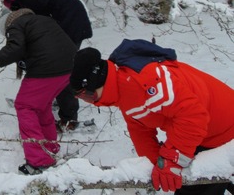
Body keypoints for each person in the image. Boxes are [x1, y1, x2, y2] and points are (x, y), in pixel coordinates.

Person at [69, 39, 234, 194]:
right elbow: (139, 129)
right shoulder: (123, 86)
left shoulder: (146, 82)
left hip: (225, 131)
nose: (89, 102)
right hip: (204, 134)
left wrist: (172, 160)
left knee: (197, 185)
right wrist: (155, 162)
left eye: (87, 96)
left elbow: (193, 116)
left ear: (97, 82)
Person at [0, 8, 78, 175]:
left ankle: (38, 161)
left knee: (25, 106)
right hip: (70, 66)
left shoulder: (15, 25)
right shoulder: (42, 18)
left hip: (47, 68)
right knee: (41, 106)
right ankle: (49, 148)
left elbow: (15, 49)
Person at [0, 0, 92, 131]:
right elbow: (29, 9)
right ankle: (52, 97)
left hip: (71, 25)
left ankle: (69, 118)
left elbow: (39, 0)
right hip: (64, 25)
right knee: (56, 66)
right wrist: (10, 1)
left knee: (62, 67)